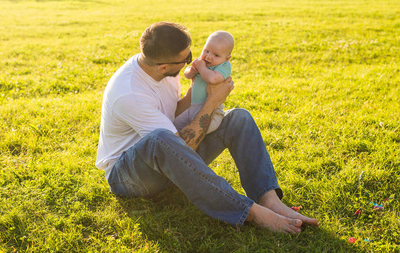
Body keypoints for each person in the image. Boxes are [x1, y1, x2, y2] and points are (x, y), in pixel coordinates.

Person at [96, 22, 319, 234]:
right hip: (129, 176)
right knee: (161, 138)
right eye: (187, 59)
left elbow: (172, 114)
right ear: (164, 66)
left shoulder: (162, 69)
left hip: (167, 158)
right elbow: (177, 147)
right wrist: (212, 103)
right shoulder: (129, 93)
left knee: (238, 118)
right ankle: (251, 213)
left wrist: (198, 89)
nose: (193, 61)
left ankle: (269, 199)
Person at [174, 31, 233, 134]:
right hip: (193, 107)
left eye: (216, 55)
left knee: (201, 130)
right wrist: (192, 70)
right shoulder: (202, 62)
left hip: (212, 112)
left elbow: (213, 79)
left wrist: (201, 68)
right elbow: (187, 74)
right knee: (175, 124)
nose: (209, 57)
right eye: (206, 51)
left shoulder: (224, 67)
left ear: (226, 58)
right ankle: (180, 145)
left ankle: (200, 145)